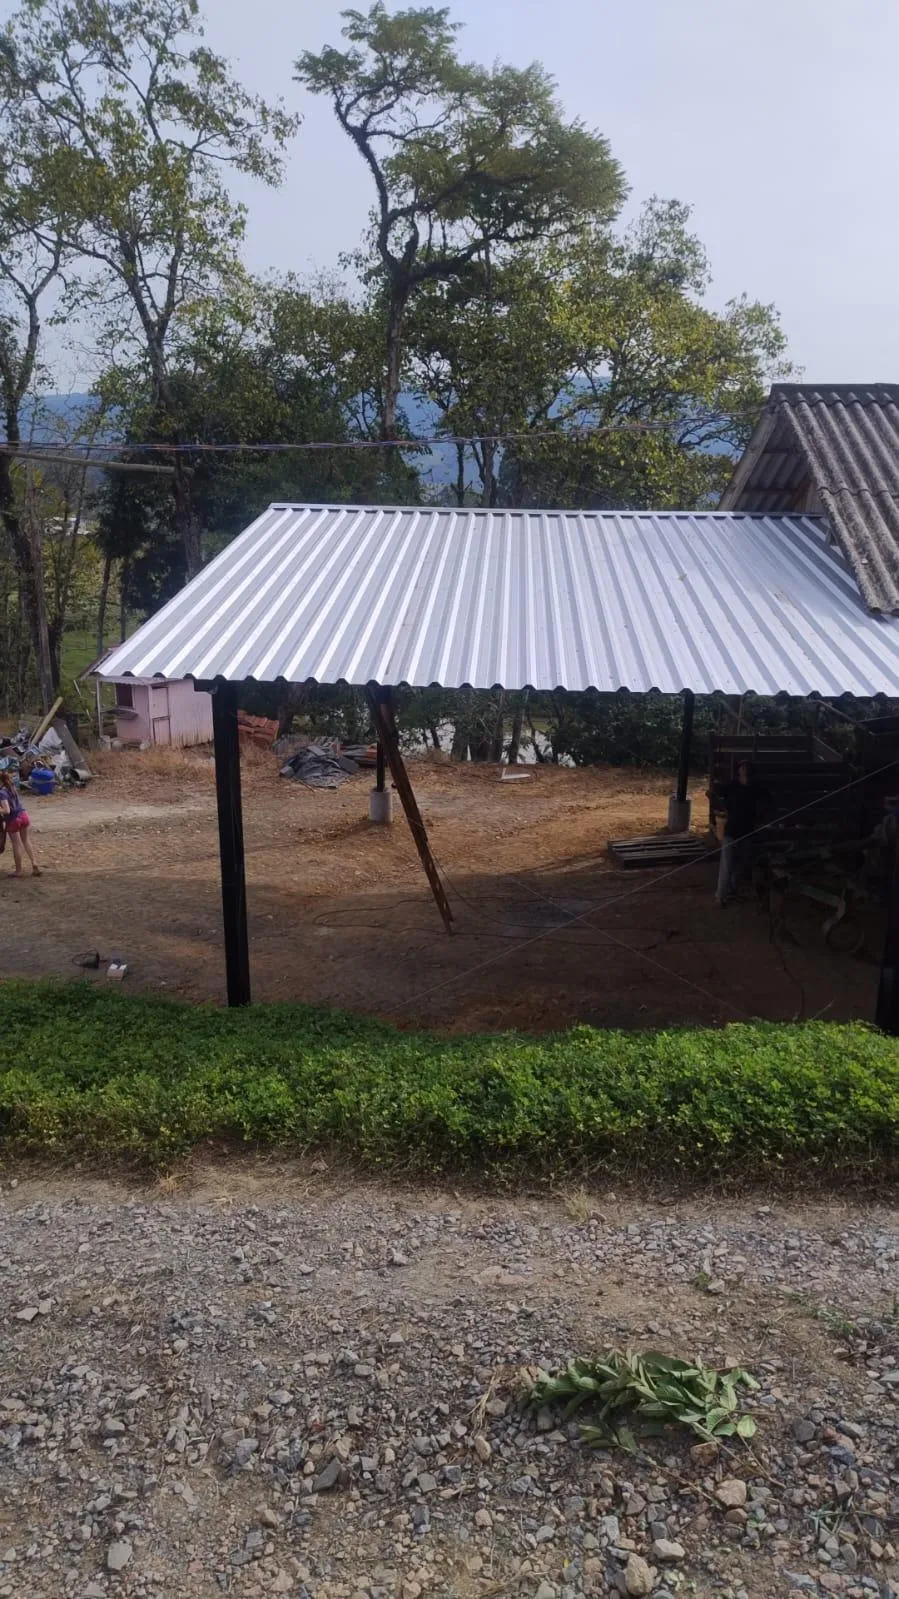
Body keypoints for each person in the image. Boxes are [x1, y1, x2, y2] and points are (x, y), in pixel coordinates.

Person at [711, 759, 768, 906]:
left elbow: (767, 801)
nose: (745, 775)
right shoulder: (731, 786)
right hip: (731, 832)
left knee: (740, 865)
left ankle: (732, 891)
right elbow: (715, 791)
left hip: (747, 832)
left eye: (748, 772)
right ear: (739, 773)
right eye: (743, 771)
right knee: (727, 865)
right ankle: (720, 896)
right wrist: (714, 787)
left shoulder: (756, 789)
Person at [0, 768, 41, 878]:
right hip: (23, 815)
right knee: (26, 840)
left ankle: (18, 871)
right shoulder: (11, 787)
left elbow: (7, 810)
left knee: (16, 845)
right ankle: (34, 863)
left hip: (14, 820)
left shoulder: (2, 792)